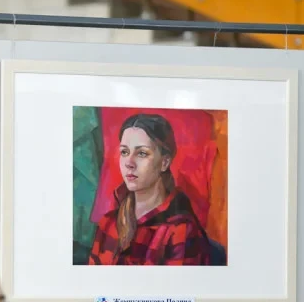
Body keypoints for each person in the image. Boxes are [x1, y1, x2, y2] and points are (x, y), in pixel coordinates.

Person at [88, 113, 214, 266]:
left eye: (142, 153)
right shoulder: (108, 223)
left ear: (164, 162)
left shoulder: (180, 230)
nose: (129, 163)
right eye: (124, 152)